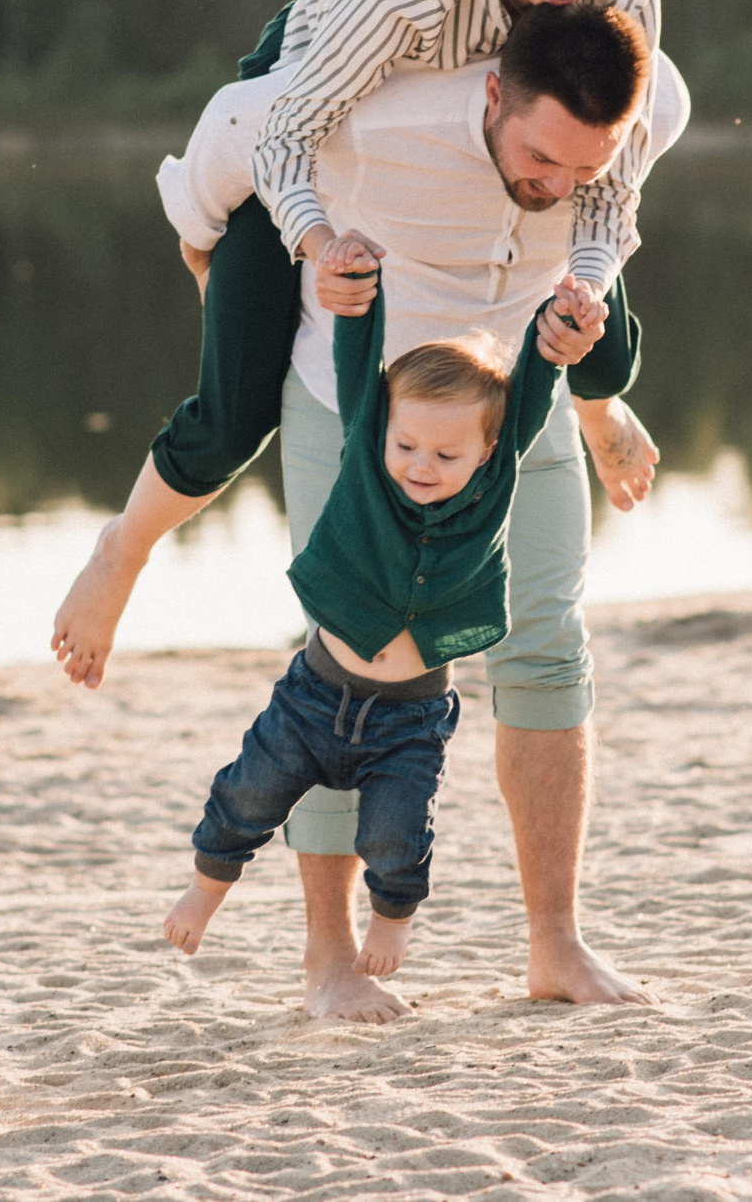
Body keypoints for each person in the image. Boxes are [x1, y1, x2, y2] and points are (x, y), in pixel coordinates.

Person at [100, 0, 690, 1019]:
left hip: (516, 394)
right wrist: (202, 245)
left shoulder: (644, 106)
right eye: (541, 158)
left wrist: (595, 404)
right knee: (348, 666)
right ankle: (328, 960)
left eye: (580, 173)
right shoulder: (378, 108)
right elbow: (233, 129)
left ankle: (556, 945)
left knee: (547, 646)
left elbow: (602, 251)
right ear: (495, 94)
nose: (555, 186)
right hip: (358, 402)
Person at [52, 0, 666, 692]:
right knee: (237, 405)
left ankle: (596, 405)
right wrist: (302, 240)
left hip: (513, 141)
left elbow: (610, 178)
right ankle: (122, 548)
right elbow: (278, 128)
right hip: (305, 116)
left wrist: (583, 290)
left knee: (598, 309)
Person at [162, 264, 569, 982]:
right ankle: (205, 888)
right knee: (248, 794)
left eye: (447, 455)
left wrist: (554, 331)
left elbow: (530, 396)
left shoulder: (493, 485)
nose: (420, 464)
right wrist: (359, 290)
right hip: (314, 697)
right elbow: (358, 360)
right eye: (407, 444)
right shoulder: (365, 466)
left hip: (410, 721)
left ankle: (392, 920)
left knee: (396, 835)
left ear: (485, 454)